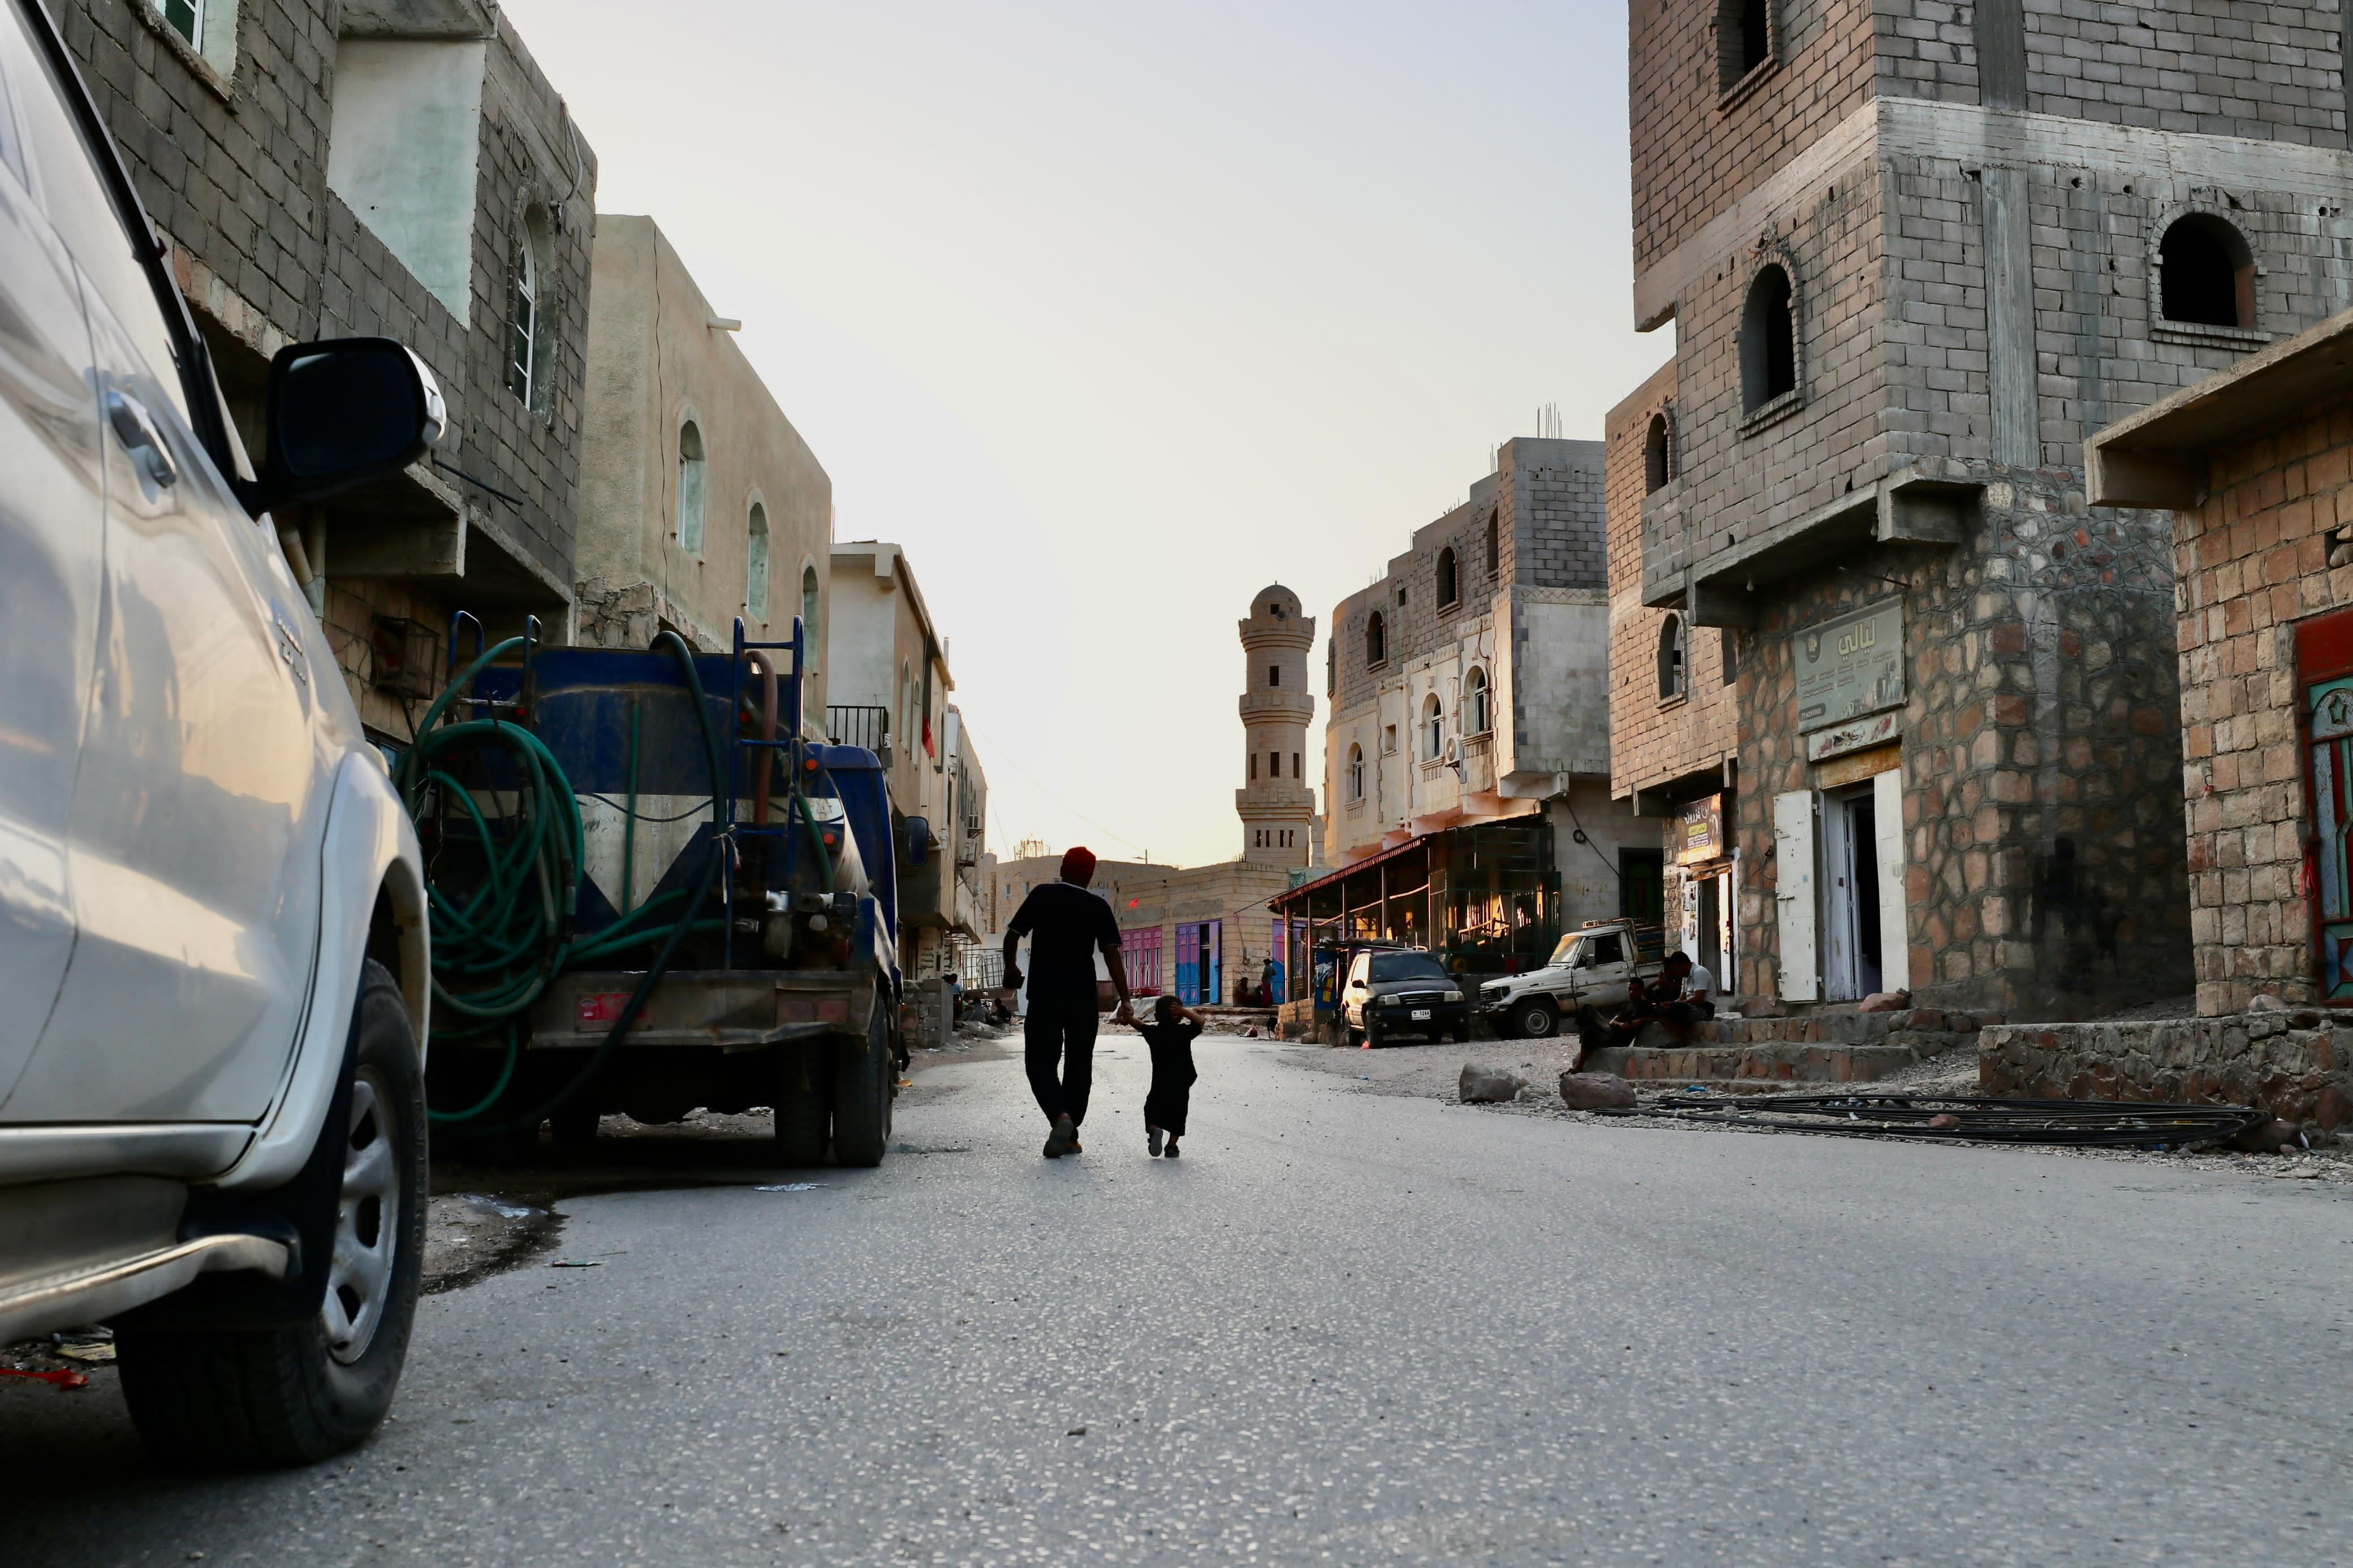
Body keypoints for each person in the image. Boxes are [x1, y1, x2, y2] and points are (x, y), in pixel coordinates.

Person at [1002, 846, 1135, 1159]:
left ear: (1063, 868)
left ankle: (1060, 1118)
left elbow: (1012, 937)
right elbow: (1112, 954)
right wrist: (1126, 998)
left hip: (1045, 994)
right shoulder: (1098, 906)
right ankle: (1072, 1134)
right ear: (1090, 875)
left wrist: (1012, 968)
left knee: (1039, 1062)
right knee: (1079, 1065)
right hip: (1082, 997)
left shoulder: (1042, 895)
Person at [1136, 995, 1204, 1159]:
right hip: (1181, 1083)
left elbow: (1140, 1026)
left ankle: (1154, 1129)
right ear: (1179, 1017)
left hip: (1160, 1083)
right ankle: (1172, 1146)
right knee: (1179, 1114)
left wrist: (1127, 1017)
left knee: (1151, 1109)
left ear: (1157, 1017)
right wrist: (1184, 1012)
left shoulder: (1154, 1033)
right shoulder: (1184, 1032)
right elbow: (1200, 1022)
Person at [1573, 977, 1660, 1060]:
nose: (1631, 992)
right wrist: (1621, 1024)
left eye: (1635, 990)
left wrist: (1641, 1020)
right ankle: (1583, 1038)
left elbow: (1656, 1017)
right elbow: (1612, 1022)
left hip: (1617, 1039)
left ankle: (1579, 1067)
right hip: (1610, 1030)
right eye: (1630, 989)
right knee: (1587, 1008)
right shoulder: (1628, 1005)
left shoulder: (1644, 1006)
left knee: (1589, 1032)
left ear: (1641, 991)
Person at [1657, 951, 1717, 1044]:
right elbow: (1682, 998)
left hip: (1704, 1010)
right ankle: (1677, 1037)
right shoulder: (1686, 977)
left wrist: (1674, 1004)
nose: (1676, 973)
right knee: (1659, 1011)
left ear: (1678, 965)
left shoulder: (1699, 972)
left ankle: (1681, 1039)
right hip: (1691, 1007)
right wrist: (1668, 1004)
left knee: (1676, 1008)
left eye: (1675, 969)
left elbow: (1698, 999)